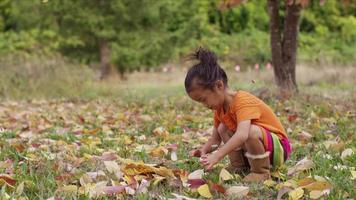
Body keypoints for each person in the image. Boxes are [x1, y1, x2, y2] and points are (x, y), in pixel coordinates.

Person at [185, 47, 291, 182]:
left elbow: (242, 135)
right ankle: (239, 166)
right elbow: (215, 140)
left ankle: (261, 172)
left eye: (203, 99)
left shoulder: (242, 101)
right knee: (222, 128)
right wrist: (204, 150)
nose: (204, 105)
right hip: (257, 151)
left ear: (219, 86)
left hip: (278, 150)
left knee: (250, 131)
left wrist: (217, 156)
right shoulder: (219, 109)